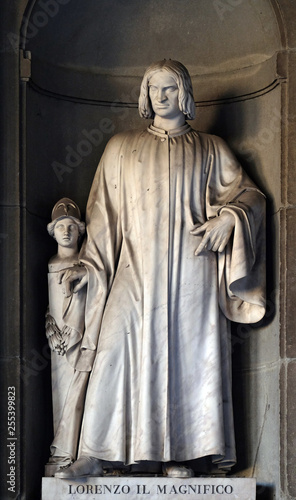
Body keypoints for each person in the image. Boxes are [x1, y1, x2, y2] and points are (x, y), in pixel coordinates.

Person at [55, 60, 266, 478]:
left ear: (185, 92)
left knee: (187, 361)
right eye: (154, 88)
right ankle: (95, 452)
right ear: (144, 94)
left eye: (170, 87)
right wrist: (89, 267)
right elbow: (103, 218)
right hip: (133, 272)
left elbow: (250, 196)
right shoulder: (120, 147)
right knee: (113, 353)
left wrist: (230, 218)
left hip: (193, 273)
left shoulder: (211, 148)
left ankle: (183, 454)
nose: (161, 95)